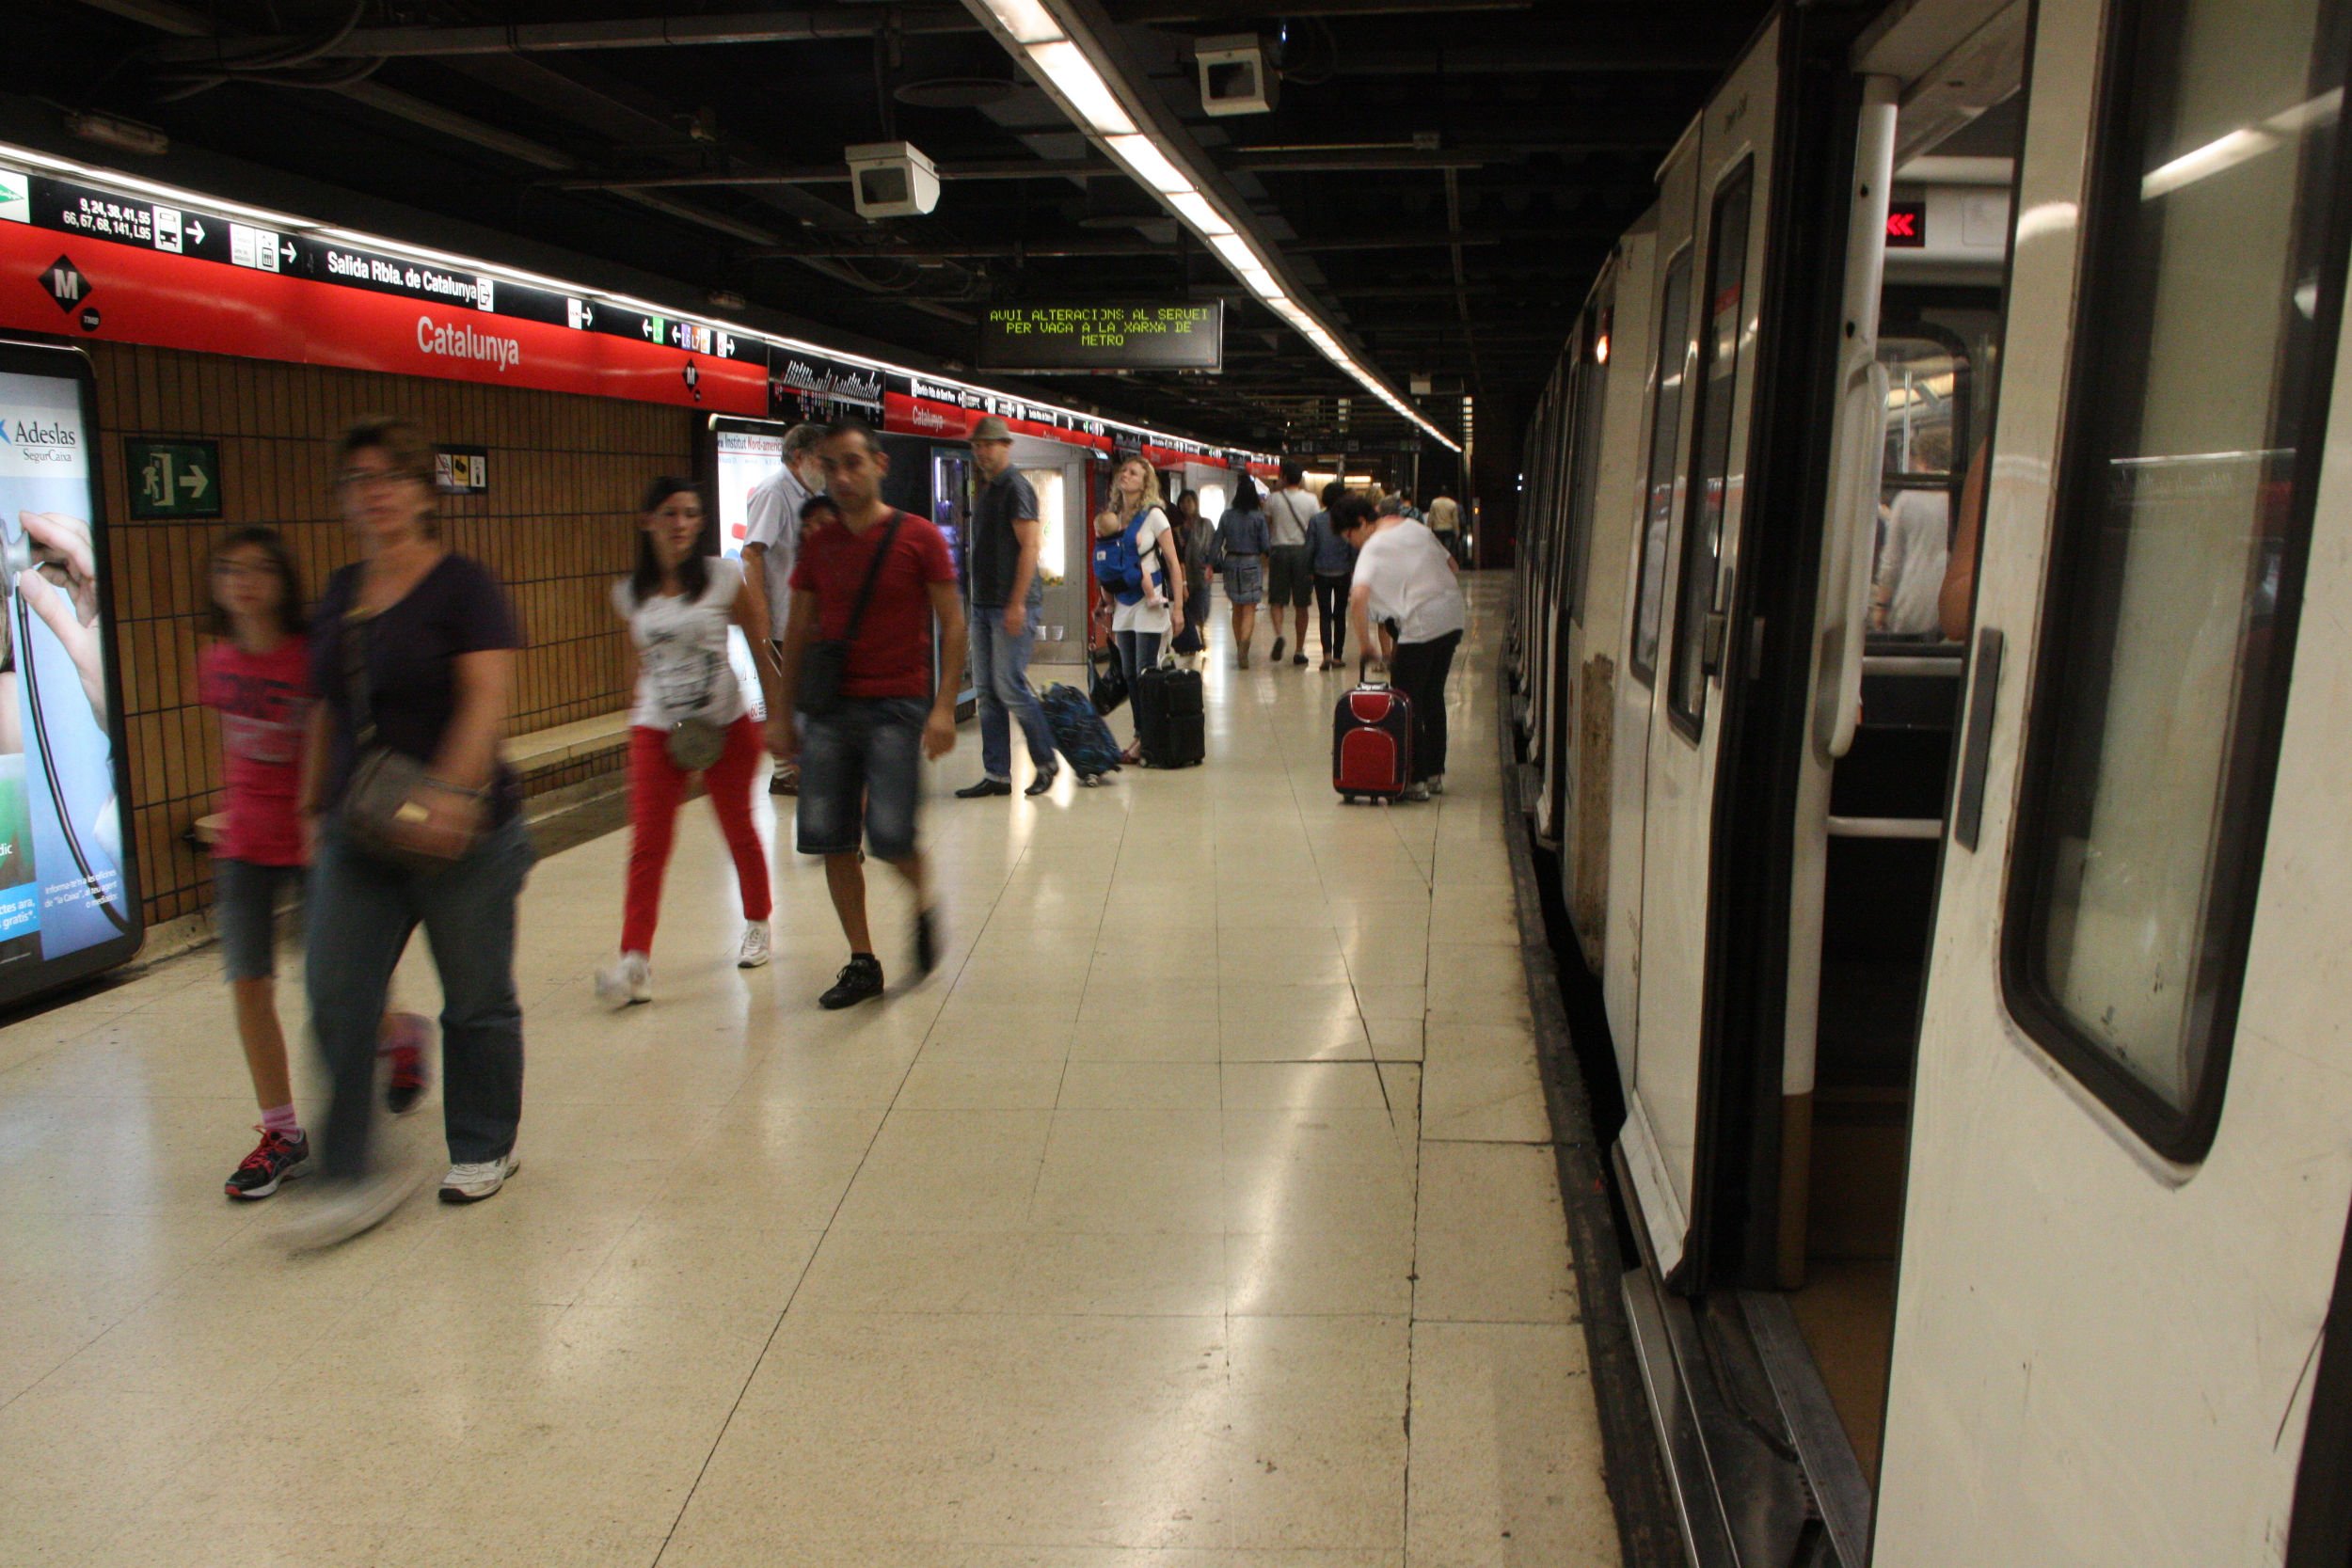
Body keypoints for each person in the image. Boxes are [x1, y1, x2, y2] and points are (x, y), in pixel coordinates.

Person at [287, 417, 532, 1247]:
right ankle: (352, 1165)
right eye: (357, 480)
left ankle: (483, 1144)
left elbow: (484, 697)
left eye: (390, 476)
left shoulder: (464, 586)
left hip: (463, 832)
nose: (374, 492)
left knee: (475, 996)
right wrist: (311, 811)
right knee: (336, 989)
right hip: (360, 824)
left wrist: (452, 797)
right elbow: (325, 705)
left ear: (426, 492)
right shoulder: (340, 590)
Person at [201, 527, 433, 1199]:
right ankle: (282, 1131)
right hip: (243, 845)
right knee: (249, 983)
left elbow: (328, 736)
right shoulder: (214, 662)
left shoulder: (308, 657)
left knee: (338, 982)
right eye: (229, 570)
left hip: (314, 836)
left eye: (258, 570)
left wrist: (314, 815)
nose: (243, 583)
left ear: (283, 581)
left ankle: (399, 1034)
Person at [774, 420, 966, 1010]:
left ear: (880, 465)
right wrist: (782, 714)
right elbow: (799, 627)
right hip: (831, 708)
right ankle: (862, 959)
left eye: (853, 463)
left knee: (888, 835)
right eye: (831, 466)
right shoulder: (819, 545)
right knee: (833, 837)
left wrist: (942, 709)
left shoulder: (918, 536)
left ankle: (924, 899)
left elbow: (952, 623)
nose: (841, 477)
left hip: (896, 704)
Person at [596, 478, 789, 1008]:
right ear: (648, 522)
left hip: (725, 723)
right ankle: (635, 959)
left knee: (738, 828)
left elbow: (756, 640)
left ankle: (757, 921)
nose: (680, 524)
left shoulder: (724, 578)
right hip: (657, 728)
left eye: (689, 514)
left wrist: (775, 716)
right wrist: (633, 715)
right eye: (669, 514)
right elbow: (632, 662)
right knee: (648, 844)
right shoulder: (628, 593)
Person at [955, 417, 1060, 800]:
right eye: (977, 445)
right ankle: (997, 773)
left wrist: (1016, 602)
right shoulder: (987, 489)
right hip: (984, 605)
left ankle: (1046, 761)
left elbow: (1030, 547)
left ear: (1006, 446)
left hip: (1009, 605)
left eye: (988, 445)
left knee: (1010, 686)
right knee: (987, 691)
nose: (981, 452)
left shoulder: (1016, 487)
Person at [1339, 493, 1466, 801]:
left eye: (1349, 535)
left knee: (1407, 702)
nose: (1351, 542)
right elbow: (1453, 565)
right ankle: (1435, 773)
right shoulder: (1416, 527)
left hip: (1421, 626)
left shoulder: (1375, 544)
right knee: (1432, 695)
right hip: (1451, 618)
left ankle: (1416, 781)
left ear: (1361, 523)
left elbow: (1358, 596)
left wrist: (1366, 644)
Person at [740, 422, 825, 795]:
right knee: (786, 695)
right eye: (821, 459)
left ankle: (794, 767)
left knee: (801, 696)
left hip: (806, 617)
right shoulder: (775, 493)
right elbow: (752, 553)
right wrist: (760, 621)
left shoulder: (809, 495)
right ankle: (786, 772)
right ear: (799, 458)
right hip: (782, 618)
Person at [1104, 455, 1184, 766]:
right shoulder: (1113, 516)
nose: (1126, 475)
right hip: (1123, 602)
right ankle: (1142, 733)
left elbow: (1173, 563)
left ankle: (1145, 737)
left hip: (1150, 602)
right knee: (1128, 673)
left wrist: (1178, 608)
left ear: (1145, 482)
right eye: (1124, 471)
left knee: (1144, 670)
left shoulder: (1155, 517)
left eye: (1133, 472)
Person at [1871, 428, 1953, 639]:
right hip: (1954, 603)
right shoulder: (1962, 496)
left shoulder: (1908, 498)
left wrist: (1881, 606)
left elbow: (1892, 562)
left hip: (1914, 602)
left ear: (1922, 459)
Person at [1263, 462, 1318, 667]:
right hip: (1302, 553)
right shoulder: (1311, 500)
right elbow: (1313, 529)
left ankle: (1279, 635)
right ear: (1301, 479)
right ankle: (1299, 650)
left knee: (1277, 600)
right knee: (1301, 604)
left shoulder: (1273, 499)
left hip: (1279, 552)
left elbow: (1268, 526)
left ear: (1283, 476)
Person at [1212, 475, 1269, 668]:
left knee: (1236, 607)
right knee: (1250, 608)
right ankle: (1244, 650)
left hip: (1231, 562)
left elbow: (1217, 541)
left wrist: (1210, 564)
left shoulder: (1226, 516)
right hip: (1251, 562)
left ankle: (1239, 646)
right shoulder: (1258, 516)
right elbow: (1266, 545)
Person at [1305, 481, 1358, 670]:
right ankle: (1337, 656)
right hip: (1343, 571)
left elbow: (1310, 548)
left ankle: (1326, 654)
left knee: (1325, 614)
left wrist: (1309, 570)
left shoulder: (1316, 520)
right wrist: (1354, 569)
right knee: (1340, 614)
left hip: (1321, 572)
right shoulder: (1349, 521)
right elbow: (1353, 548)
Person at [1426, 492, 1463, 564]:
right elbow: (1455, 520)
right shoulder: (1452, 504)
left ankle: (1439, 564)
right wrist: (1457, 531)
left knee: (1438, 548)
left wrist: (1428, 528)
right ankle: (1446, 564)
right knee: (1447, 549)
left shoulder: (1434, 503)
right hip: (1448, 529)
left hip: (1437, 529)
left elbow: (1431, 517)